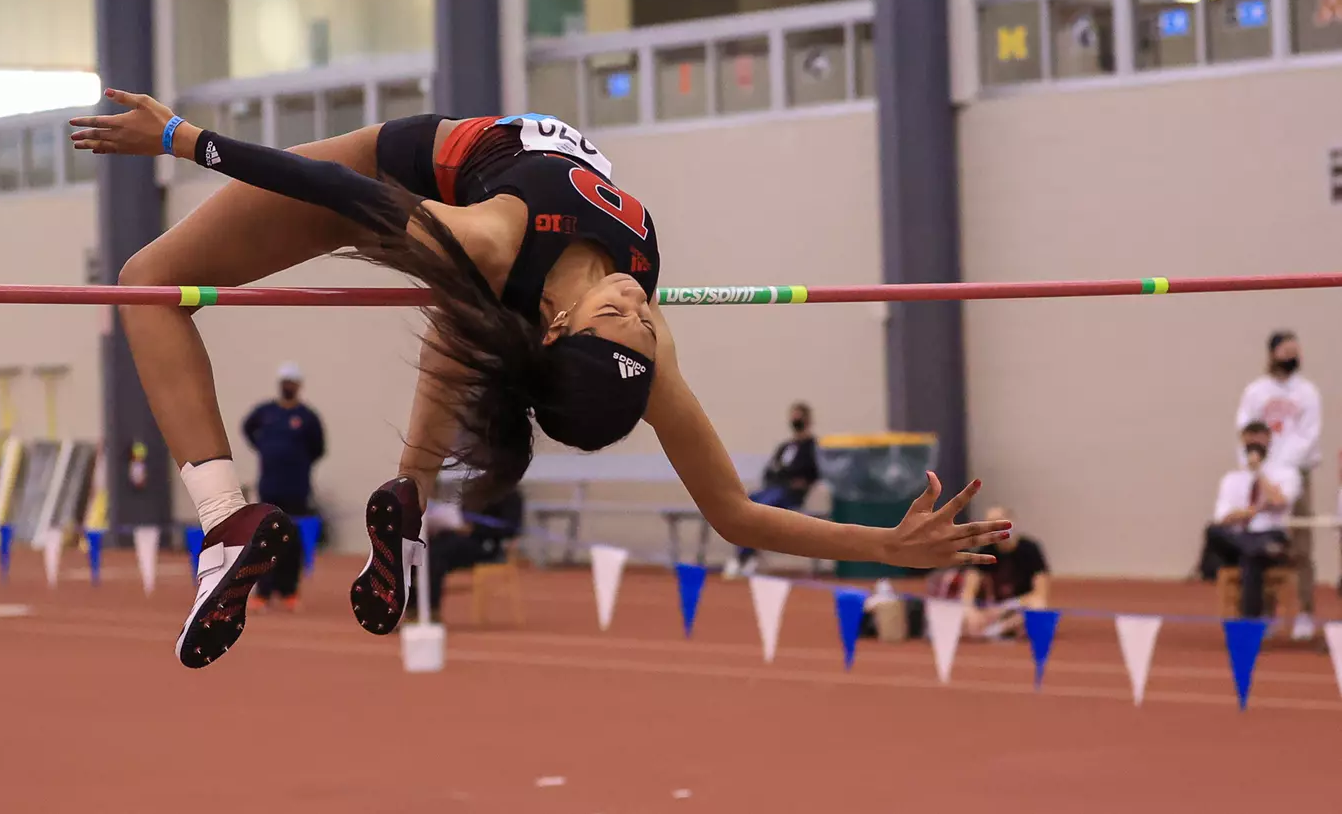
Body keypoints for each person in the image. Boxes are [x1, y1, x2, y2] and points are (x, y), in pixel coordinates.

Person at [69, 91, 1011, 670]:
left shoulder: (497, 245)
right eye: (640, 320)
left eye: (624, 319)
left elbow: (350, 197)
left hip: (400, 182)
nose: (638, 311)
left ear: (561, 328)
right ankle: (412, 491)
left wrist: (185, 139)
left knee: (145, 284)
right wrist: (883, 548)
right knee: (467, 301)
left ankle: (226, 515)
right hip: (452, 209)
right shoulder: (643, 349)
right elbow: (736, 515)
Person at [1235, 330, 1322, 640]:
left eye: (1295, 351)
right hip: (1264, 475)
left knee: (1301, 545)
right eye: (1286, 351)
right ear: (1272, 353)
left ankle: (1305, 613)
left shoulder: (1307, 392)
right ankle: (1267, 614)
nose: (1292, 356)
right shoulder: (1257, 392)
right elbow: (1245, 430)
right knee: (1263, 542)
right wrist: (1256, 467)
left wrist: (1285, 467)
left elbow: (1309, 434)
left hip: (1297, 472)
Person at [240, 362, 325, 612]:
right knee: (267, 539)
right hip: (270, 488)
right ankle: (263, 592)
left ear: (298, 386)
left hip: (296, 490)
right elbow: (247, 428)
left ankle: (289, 590)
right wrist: (265, 448)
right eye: (284, 382)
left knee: (292, 542)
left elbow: (318, 448)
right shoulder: (265, 412)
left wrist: (298, 461)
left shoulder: (308, 418)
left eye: (292, 382)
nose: (288, 386)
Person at [1204, 422, 1299, 619]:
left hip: (1271, 535)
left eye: (1259, 439)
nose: (1254, 445)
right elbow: (1223, 518)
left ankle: (1249, 624)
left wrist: (1259, 472)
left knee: (1251, 558)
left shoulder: (1286, 474)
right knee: (1214, 532)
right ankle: (1253, 548)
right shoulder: (1232, 478)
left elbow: (1279, 500)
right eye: (1250, 441)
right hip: (1240, 538)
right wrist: (1254, 510)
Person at [725, 401, 821, 578]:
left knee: (763, 507)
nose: (795, 419)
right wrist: (779, 475)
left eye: (798, 416)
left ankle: (743, 557)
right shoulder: (785, 447)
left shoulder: (811, 447)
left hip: (791, 494)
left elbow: (811, 472)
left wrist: (792, 478)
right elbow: (770, 470)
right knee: (747, 502)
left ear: (807, 420)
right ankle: (747, 555)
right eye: (793, 416)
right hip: (774, 488)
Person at [413, 487, 525, 623]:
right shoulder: (474, 489)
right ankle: (411, 609)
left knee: (436, 556)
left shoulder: (511, 494)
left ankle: (432, 611)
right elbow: (460, 514)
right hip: (457, 536)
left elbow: (511, 529)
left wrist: (475, 529)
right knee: (419, 550)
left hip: (486, 545)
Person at [959, 506, 1049, 640]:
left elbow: (1040, 593)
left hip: (1019, 607)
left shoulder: (1030, 549)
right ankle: (999, 629)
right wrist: (971, 611)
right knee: (964, 615)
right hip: (991, 610)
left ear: (1012, 522)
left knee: (1039, 608)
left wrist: (1005, 607)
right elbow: (968, 591)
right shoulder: (984, 552)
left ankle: (996, 630)